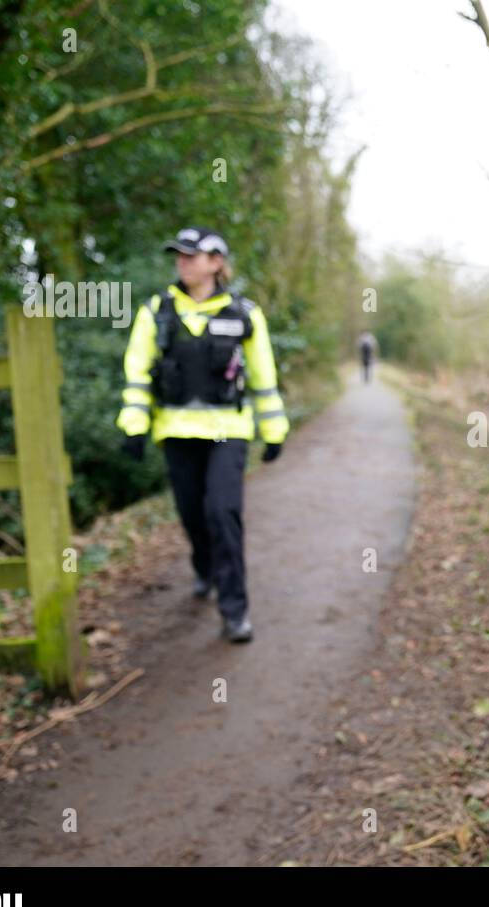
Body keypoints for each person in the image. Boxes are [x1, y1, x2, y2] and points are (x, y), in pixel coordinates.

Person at [115, 227, 289, 643]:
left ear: (216, 262)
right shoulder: (156, 312)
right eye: (178, 255)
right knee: (193, 514)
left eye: (192, 256)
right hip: (175, 432)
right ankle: (204, 566)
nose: (183, 262)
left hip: (228, 431)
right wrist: (134, 427)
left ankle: (234, 610)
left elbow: (264, 379)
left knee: (222, 512)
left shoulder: (245, 315)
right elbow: (137, 374)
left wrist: (274, 430)